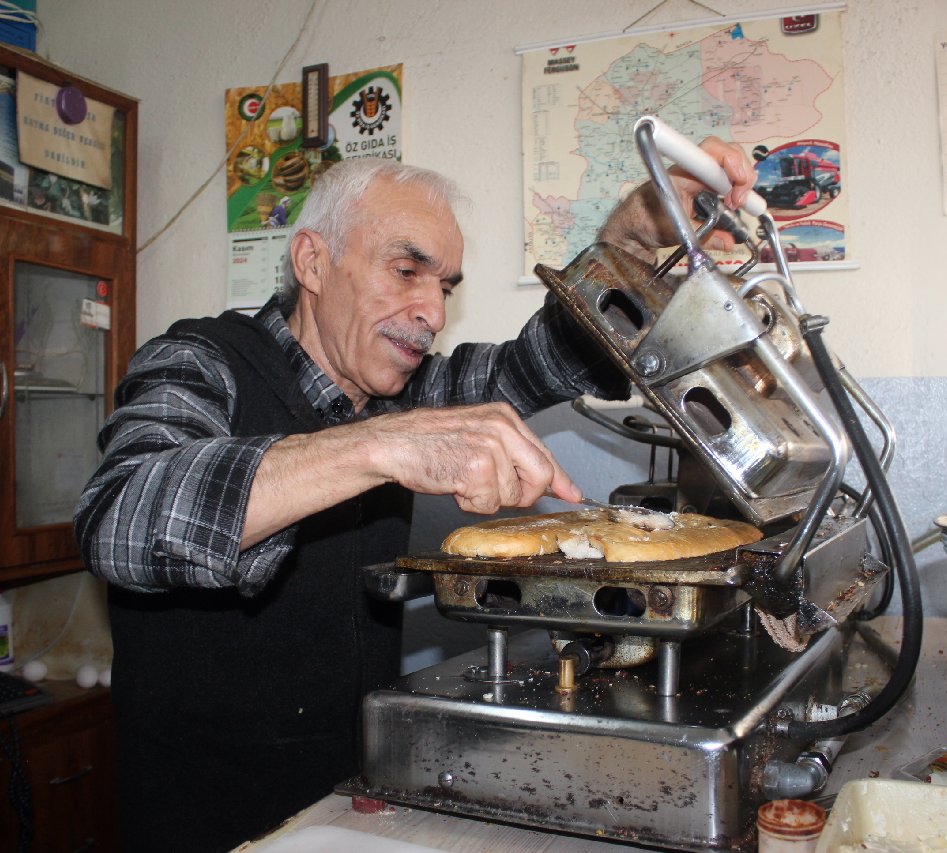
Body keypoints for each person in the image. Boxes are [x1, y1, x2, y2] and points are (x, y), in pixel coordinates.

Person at [74, 140, 756, 853]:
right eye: (407, 270)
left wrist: (632, 236)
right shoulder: (197, 361)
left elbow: (548, 358)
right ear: (312, 262)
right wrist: (381, 447)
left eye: (446, 286)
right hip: (208, 819)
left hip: (352, 803)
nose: (431, 310)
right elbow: (120, 516)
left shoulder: (399, 388)